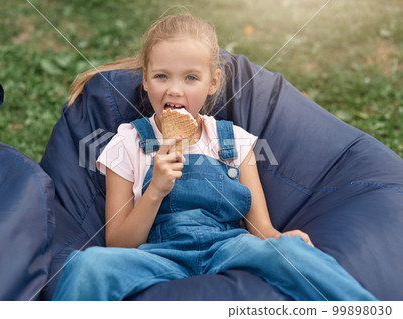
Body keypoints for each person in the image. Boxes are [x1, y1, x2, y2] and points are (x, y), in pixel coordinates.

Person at [53, 13, 376, 301]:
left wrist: (283, 241)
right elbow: (119, 245)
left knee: (293, 251)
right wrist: (156, 190)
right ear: (145, 80)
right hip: (158, 254)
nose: (174, 90)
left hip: (228, 247)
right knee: (86, 264)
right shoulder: (128, 142)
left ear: (213, 83)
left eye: (190, 77)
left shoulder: (234, 140)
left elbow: (260, 228)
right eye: (161, 76)